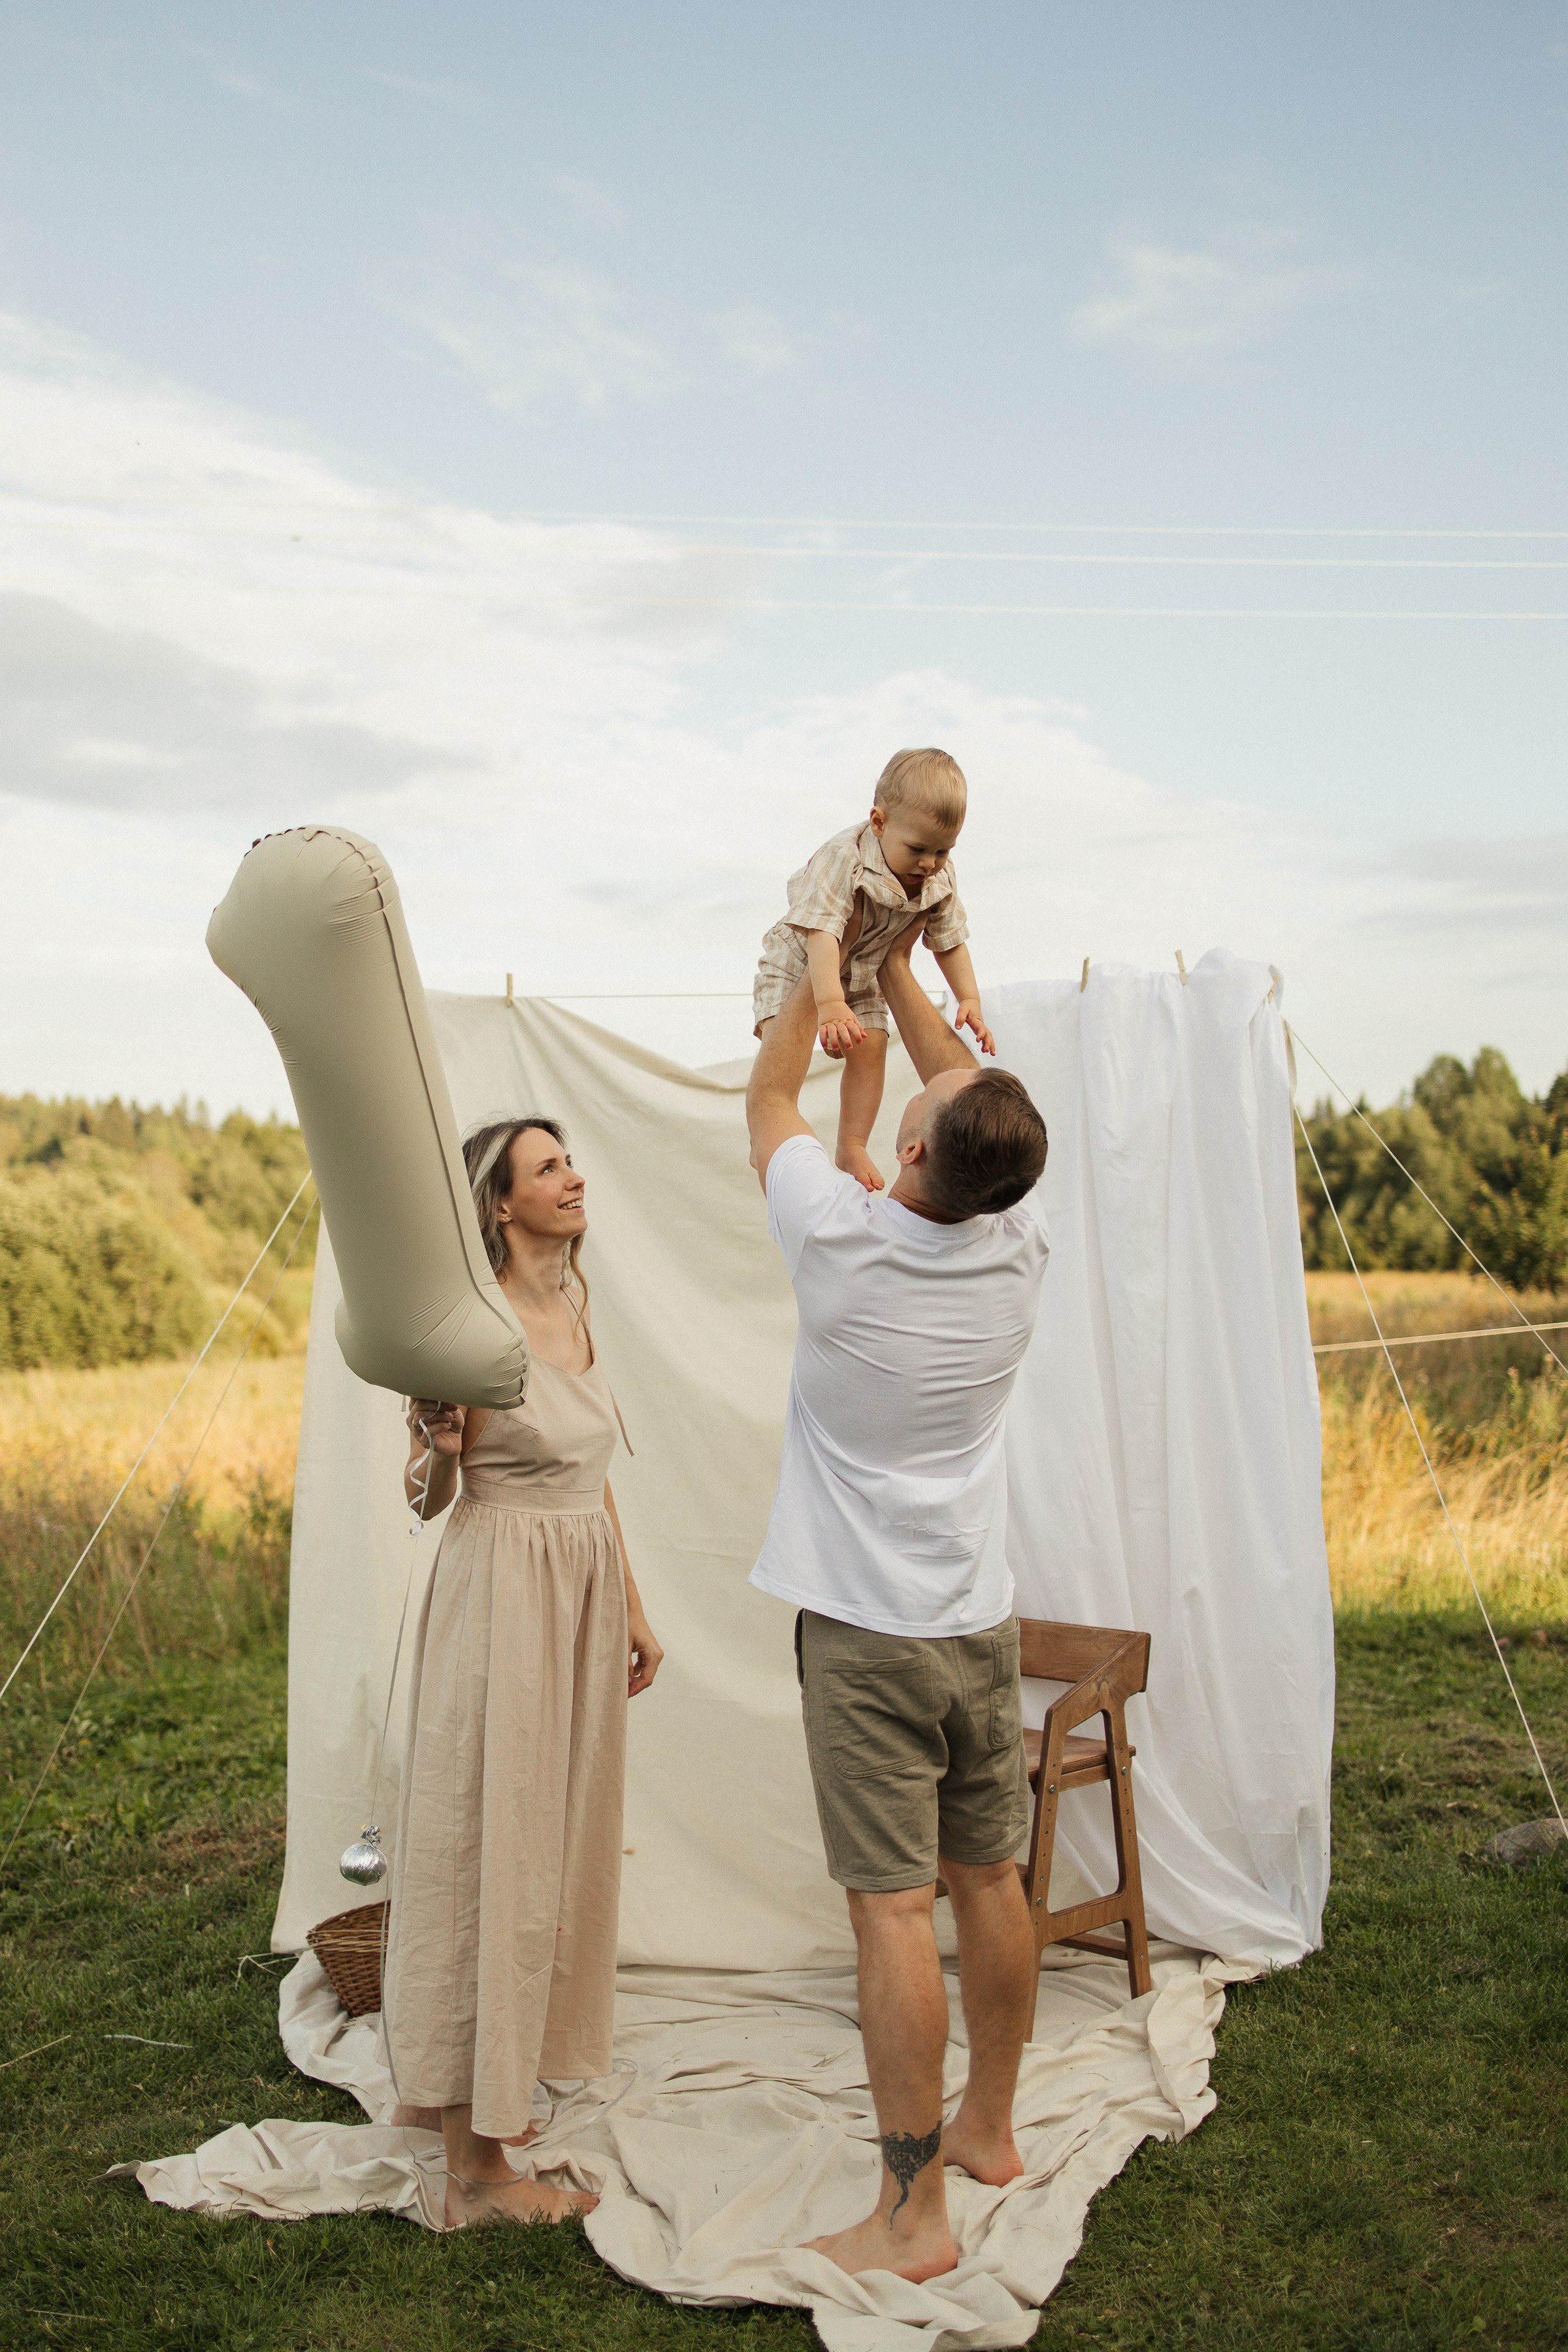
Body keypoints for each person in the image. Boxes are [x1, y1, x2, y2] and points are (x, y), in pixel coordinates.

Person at [744, 932, 1049, 2283]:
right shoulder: (1017, 1240)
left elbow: (767, 1107)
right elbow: (967, 1088)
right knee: (990, 1878)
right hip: (980, 1624)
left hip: (869, 1638)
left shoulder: (839, 1242)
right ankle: (990, 2130)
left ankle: (913, 2215)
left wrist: (820, 997)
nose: (920, 1099)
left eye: (914, 1120)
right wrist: (904, 962)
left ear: (912, 1162)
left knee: (891, 1912)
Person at [380, 1116, 664, 2230]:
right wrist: (440, 1451)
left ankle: (490, 2090)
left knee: (546, 1846)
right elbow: (427, 1504)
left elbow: (593, 1482)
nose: (573, 1176)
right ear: (498, 1204)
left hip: (580, 1600)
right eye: (548, 1168)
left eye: (569, 1161)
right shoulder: (473, 1324)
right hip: (499, 1597)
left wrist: (635, 1611)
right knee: (481, 1845)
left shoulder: (576, 1310)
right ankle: (477, 2167)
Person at [752, 747, 995, 1198]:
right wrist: (828, 1003)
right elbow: (823, 933)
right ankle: (765, 1128)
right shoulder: (844, 858)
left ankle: (851, 1144)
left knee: (874, 1048)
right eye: (918, 849)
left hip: (864, 968)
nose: (929, 863)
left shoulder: (939, 877)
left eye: (943, 850)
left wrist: (970, 998)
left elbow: (950, 940)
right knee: (783, 1045)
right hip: (801, 962)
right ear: (879, 823)